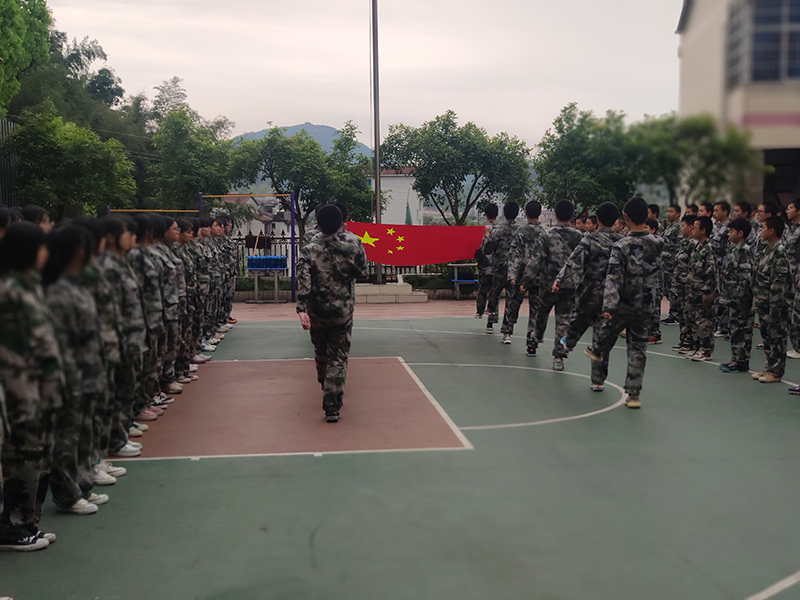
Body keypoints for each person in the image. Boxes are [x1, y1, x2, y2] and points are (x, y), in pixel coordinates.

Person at [0, 222, 62, 551]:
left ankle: (28, 522)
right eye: (41, 247)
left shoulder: (30, 285)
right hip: (21, 391)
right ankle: (14, 526)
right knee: (22, 457)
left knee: (38, 456)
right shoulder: (10, 290)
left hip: (39, 388)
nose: (46, 254)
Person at [43, 225, 108, 515]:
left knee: (83, 431)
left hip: (88, 369)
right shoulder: (58, 290)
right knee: (66, 436)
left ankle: (82, 484)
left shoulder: (76, 283)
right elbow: (61, 342)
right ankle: (66, 493)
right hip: (71, 374)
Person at [583, 197, 661, 409]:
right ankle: (633, 395)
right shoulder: (658, 242)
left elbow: (613, 278)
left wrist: (608, 305)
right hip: (647, 303)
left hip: (624, 303)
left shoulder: (621, 245)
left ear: (625, 217)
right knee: (638, 349)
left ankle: (597, 355)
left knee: (606, 332)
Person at [296, 205, 367, 422]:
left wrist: (301, 308)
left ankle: (324, 382)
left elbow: (304, 281)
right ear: (341, 224)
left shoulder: (308, 250)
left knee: (321, 350)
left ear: (317, 223)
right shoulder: (352, 250)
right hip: (342, 310)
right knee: (338, 356)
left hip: (317, 310)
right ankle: (332, 405)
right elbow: (363, 273)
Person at [552, 202, 621, 390]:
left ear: (597, 220)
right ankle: (597, 381)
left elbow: (573, 262)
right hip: (611, 297)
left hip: (588, 293)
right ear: (615, 220)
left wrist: (559, 279)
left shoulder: (589, 240)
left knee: (578, 320)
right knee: (601, 336)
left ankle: (569, 342)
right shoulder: (621, 242)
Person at [520, 200, 583, 369]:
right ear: (572, 215)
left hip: (547, 284)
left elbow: (537, 260)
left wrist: (526, 280)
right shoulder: (578, 236)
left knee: (541, 313)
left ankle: (537, 336)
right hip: (569, 285)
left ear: (555, 215)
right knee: (563, 321)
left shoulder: (547, 235)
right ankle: (558, 357)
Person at [752, 216, 791, 383]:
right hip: (763, 302)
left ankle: (776, 371)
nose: (761, 231)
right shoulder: (767, 249)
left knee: (776, 337)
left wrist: (775, 307)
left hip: (774, 303)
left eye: (763, 228)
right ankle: (768, 367)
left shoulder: (779, 251)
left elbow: (779, 282)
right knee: (767, 336)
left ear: (772, 230)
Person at [500, 200, 543, 346]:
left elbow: (515, 255)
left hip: (521, 275)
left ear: (525, 213)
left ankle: (507, 332)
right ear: (540, 213)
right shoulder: (546, 233)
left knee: (512, 304)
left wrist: (511, 275)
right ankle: (532, 341)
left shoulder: (520, 233)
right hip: (538, 275)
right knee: (535, 309)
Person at [719, 218, 754, 373]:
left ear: (740, 233)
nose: (728, 234)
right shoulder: (734, 249)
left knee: (742, 330)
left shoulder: (744, 251)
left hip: (741, 300)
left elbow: (745, 278)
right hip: (733, 298)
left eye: (731, 231)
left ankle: (742, 361)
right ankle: (736, 358)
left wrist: (740, 298)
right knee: (735, 329)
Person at [482, 202, 520, 335]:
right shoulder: (520, 231)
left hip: (499, 269)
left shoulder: (497, 231)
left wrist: (487, 234)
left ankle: (491, 323)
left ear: (503, 213)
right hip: (515, 270)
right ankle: (507, 332)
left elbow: (487, 249)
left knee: (494, 295)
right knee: (511, 300)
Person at [684, 216, 718, 362]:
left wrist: (707, 292)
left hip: (701, 291)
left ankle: (706, 350)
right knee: (692, 319)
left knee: (703, 322)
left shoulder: (708, 249)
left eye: (695, 227)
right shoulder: (696, 247)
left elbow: (711, 272)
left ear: (703, 230)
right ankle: (697, 347)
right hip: (692, 291)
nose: (692, 230)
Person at [671, 215, 698, 354]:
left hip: (688, 284)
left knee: (689, 314)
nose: (681, 229)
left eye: (683, 226)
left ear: (691, 227)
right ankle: (684, 340)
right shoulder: (684, 243)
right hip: (680, 284)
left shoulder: (693, 244)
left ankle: (691, 342)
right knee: (682, 313)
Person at [782, 199, 800, 359]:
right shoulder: (790, 230)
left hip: (798, 276)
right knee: (790, 311)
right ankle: (795, 346)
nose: (787, 211)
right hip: (789, 275)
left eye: (790, 208)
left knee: (797, 312)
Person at [474, 204, 498, 319]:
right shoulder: (501, 230)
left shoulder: (483, 230)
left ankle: (480, 311)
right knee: (494, 293)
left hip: (485, 266)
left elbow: (480, 248)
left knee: (483, 290)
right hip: (497, 267)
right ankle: (491, 319)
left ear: (486, 215)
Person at [661, 205, 682, 325]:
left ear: (678, 214)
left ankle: (675, 315)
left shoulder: (678, 227)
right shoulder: (669, 226)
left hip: (672, 263)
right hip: (666, 264)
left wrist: (677, 263)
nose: (668, 214)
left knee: (674, 290)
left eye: (671, 212)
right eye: (667, 211)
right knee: (668, 289)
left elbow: (679, 245)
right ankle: (672, 313)